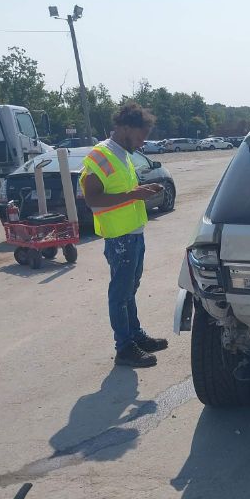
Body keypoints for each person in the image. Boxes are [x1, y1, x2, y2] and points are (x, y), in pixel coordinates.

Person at [81, 102, 168, 367]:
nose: (142, 143)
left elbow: (122, 191)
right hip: (119, 237)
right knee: (120, 294)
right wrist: (133, 195)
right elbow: (92, 199)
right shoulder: (101, 155)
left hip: (134, 233)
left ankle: (135, 335)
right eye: (141, 137)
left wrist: (141, 191)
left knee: (130, 289)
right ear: (126, 128)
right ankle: (125, 347)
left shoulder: (123, 154)